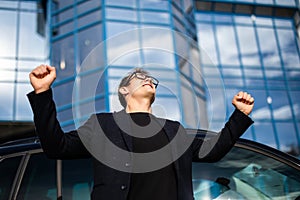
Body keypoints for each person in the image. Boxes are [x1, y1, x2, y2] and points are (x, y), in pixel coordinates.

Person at [27, 64, 254, 200]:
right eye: (140, 77)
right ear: (124, 90)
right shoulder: (102, 125)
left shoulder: (174, 130)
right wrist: (42, 92)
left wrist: (239, 115)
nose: (149, 80)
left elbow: (212, 152)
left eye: (151, 80)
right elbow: (57, 146)